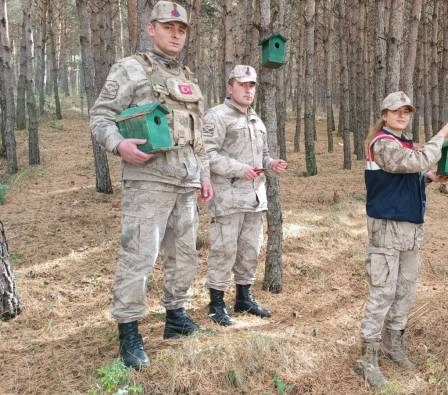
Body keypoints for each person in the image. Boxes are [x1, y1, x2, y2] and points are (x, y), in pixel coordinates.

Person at [90, 1, 213, 370]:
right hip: (148, 181)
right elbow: (101, 116)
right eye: (168, 27)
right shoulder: (130, 68)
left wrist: (204, 175)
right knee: (139, 256)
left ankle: (176, 317)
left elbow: (199, 134)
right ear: (151, 29)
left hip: (186, 180)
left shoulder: (187, 76)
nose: (176, 34)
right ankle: (129, 330)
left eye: (182, 29)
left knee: (185, 255)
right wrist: (119, 145)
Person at [354, 91, 448, 387]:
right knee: (382, 291)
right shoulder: (382, 142)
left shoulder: (403, 143)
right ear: (384, 115)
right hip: (387, 226)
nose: (402, 115)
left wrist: (428, 178)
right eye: (396, 111)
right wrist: (442, 134)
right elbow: (416, 160)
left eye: (407, 111)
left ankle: (393, 343)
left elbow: (408, 173)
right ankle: (368, 355)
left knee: (405, 289)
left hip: (410, 227)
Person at [202, 65, 287, 326]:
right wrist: (240, 169)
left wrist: (271, 163)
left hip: (254, 198)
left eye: (252, 86)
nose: (248, 90)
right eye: (243, 85)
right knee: (224, 250)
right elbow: (208, 154)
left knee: (250, 250)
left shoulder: (255, 119)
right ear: (230, 87)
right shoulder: (217, 116)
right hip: (228, 198)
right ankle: (216, 303)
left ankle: (243, 297)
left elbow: (261, 156)